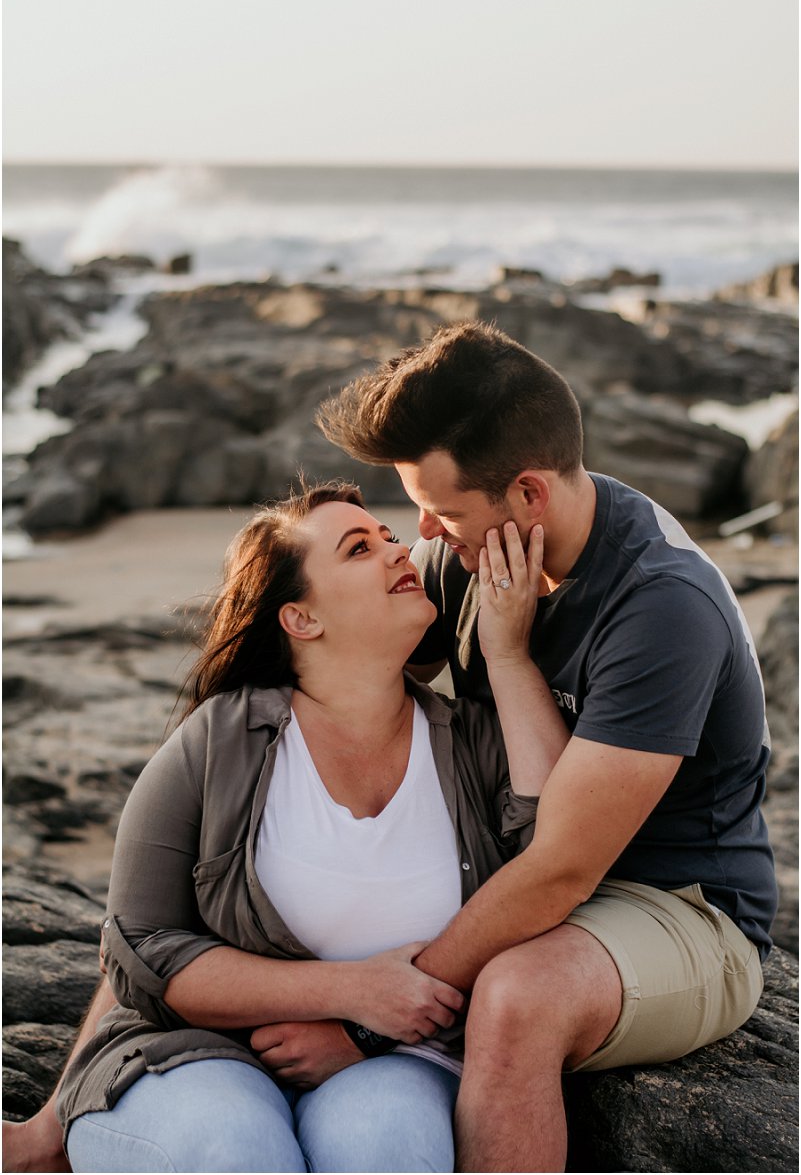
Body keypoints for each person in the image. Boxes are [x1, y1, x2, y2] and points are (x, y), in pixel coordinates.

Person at [315, 320, 777, 1172]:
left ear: (528, 493)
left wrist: (367, 1014)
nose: (422, 528)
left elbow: (564, 867)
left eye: (443, 509)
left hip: (676, 903)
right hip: (516, 869)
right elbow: (338, 672)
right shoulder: (471, 548)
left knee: (517, 997)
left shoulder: (660, 606)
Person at [6, 479, 568, 1174]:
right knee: (238, 1150)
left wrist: (509, 655)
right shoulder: (221, 740)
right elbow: (142, 946)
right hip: (189, 1054)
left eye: (389, 536)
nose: (400, 549)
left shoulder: (475, 738)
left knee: (387, 1148)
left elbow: (556, 858)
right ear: (300, 618)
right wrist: (351, 990)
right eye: (359, 547)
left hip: (396, 1061)